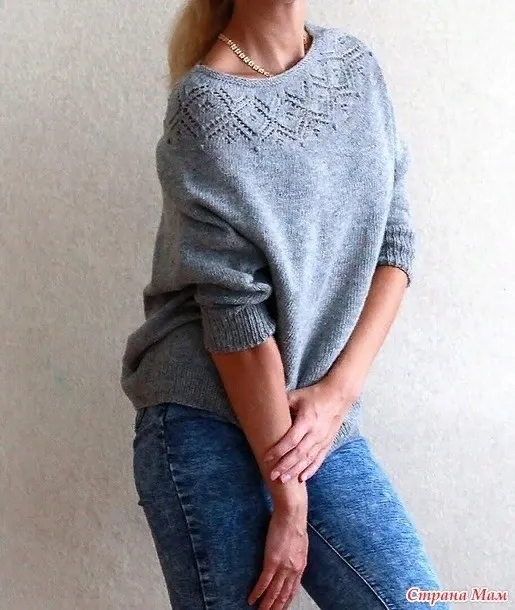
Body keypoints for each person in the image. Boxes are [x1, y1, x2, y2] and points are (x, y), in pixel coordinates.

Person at [120, 1, 450, 608]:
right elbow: (234, 312)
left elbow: (395, 241)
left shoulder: (354, 67)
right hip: (206, 415)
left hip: (316, 418)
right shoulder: (206, 104)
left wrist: (336, 396)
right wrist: (288, 501)